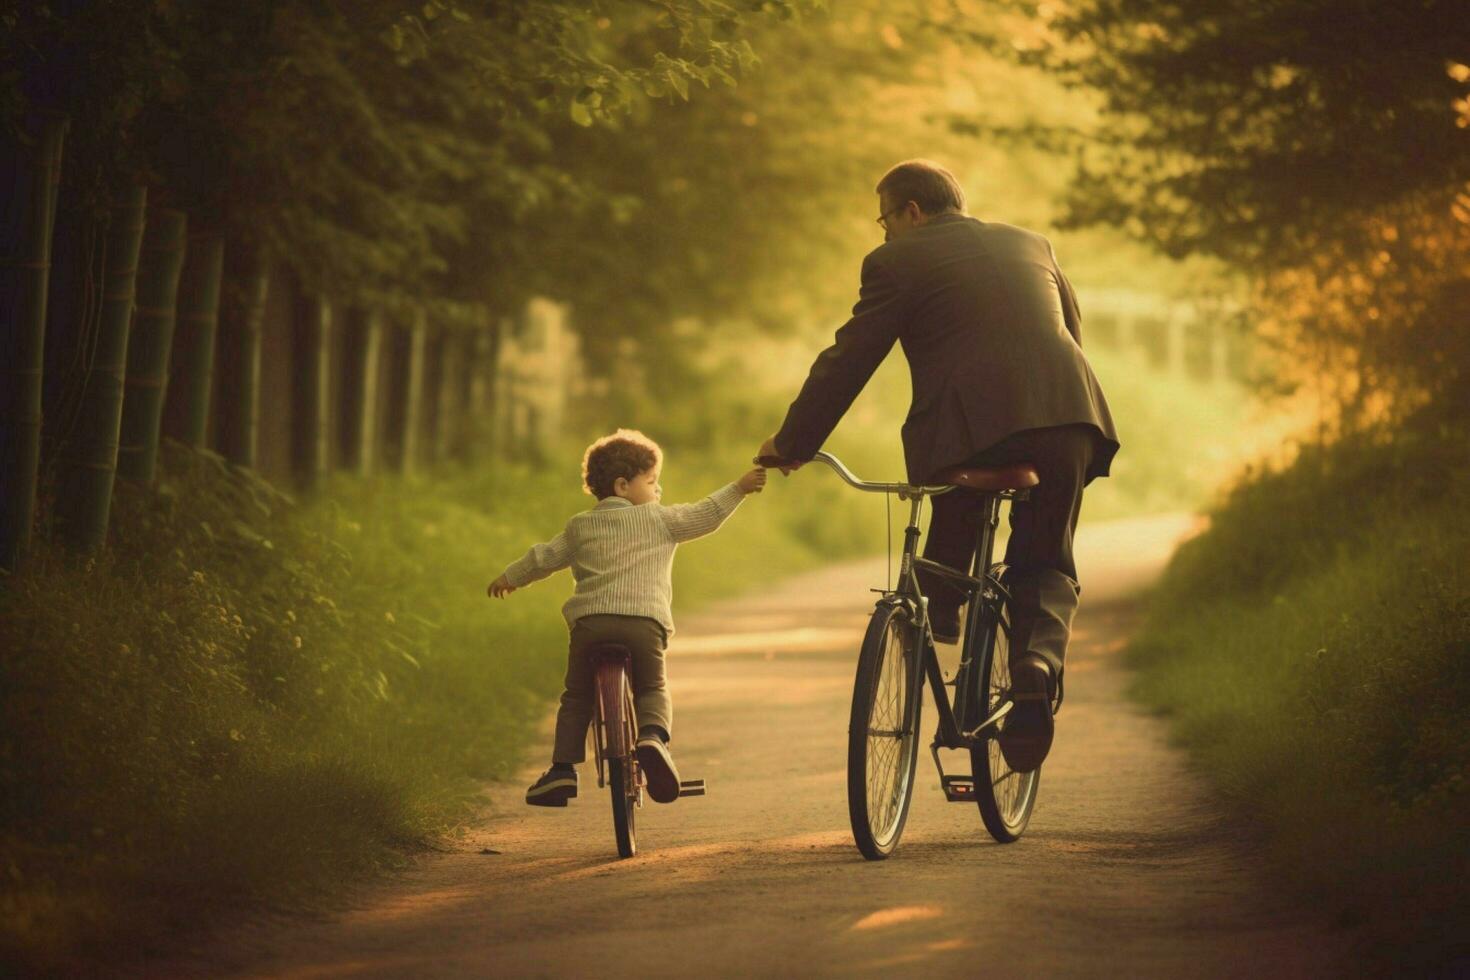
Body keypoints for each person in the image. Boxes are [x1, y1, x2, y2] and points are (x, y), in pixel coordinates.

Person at [757, 159, 1120, 773]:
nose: (883, 234)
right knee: (1045, 557)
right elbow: (1072, 335)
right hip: (1070, 416)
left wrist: (792, 443)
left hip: (972, 429)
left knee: (954, 500)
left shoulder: (896, 261)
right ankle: (1035, 665)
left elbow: (849, 360)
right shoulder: (1032, 242)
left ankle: (944, 608)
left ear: (911, 213)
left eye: (884, 220)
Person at [489, 429, 767, 807]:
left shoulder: (579, 526)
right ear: (623, 485)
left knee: (576, 698)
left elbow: (543, 558)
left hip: (590, 625)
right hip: (643, 624)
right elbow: (707, 514)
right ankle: (653, 737)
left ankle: (562, 771)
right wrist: (739, 488)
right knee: (652, 687)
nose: (659, 490)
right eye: (652, 481)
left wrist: (511, 577)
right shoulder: (660, 520)